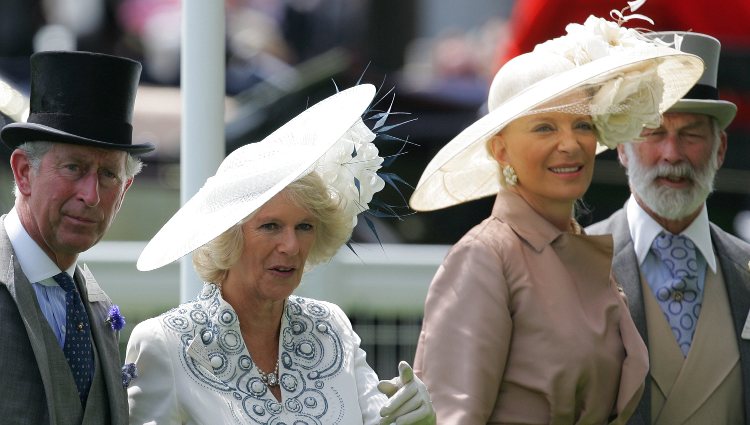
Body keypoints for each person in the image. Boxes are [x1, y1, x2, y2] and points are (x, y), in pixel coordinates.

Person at [407, 10, 706, 424]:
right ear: (501, 150)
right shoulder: (485, 258)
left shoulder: (581, 246)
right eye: (545, 127)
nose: (570, 144)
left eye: (582, 124)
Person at [125, 84, 436, 425]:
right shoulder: (165, 343)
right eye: (271, 226)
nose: (290, 246)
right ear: (229, 237)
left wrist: (413, 419)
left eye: (304, 227)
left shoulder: (331, 326)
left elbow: (379, 419)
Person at [586, 31, 750, 424]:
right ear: (622, 148)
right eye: (653, 132)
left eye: (691, 135)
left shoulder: (747, 269)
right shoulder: (576, 263)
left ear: (720, 149)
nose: (672, 154)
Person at [0, 51, 154, 424]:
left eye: (108, 175)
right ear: (23, 173)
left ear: (125, 189)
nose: (91, 194)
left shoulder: (98, 307)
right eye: (74, 167)